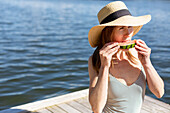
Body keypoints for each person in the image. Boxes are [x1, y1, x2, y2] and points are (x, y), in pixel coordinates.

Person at [88, 1, 164, 113]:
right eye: (121, 28)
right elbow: (96, 108)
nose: (128, 33)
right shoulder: (96, 59)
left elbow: (159, 93)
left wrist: (147, 63)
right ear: (108, 33)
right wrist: (104, 67)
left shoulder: (139, 53)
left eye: (130, 26)